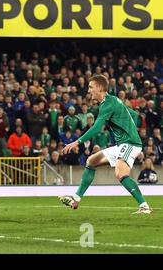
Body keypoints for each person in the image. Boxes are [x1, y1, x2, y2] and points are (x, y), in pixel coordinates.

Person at [59, 75, 152, 214]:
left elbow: (96, 128)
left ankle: (144, 206)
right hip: (123, 144)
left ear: (100, 88)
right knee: (91, 161)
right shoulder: (112, 101)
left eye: (91, 87)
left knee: (120, 173)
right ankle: (76, 199)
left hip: (130, 143)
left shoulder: (108, 104)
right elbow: (134, 115)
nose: (88, 90)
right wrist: (129, 124)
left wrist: (76, 142)